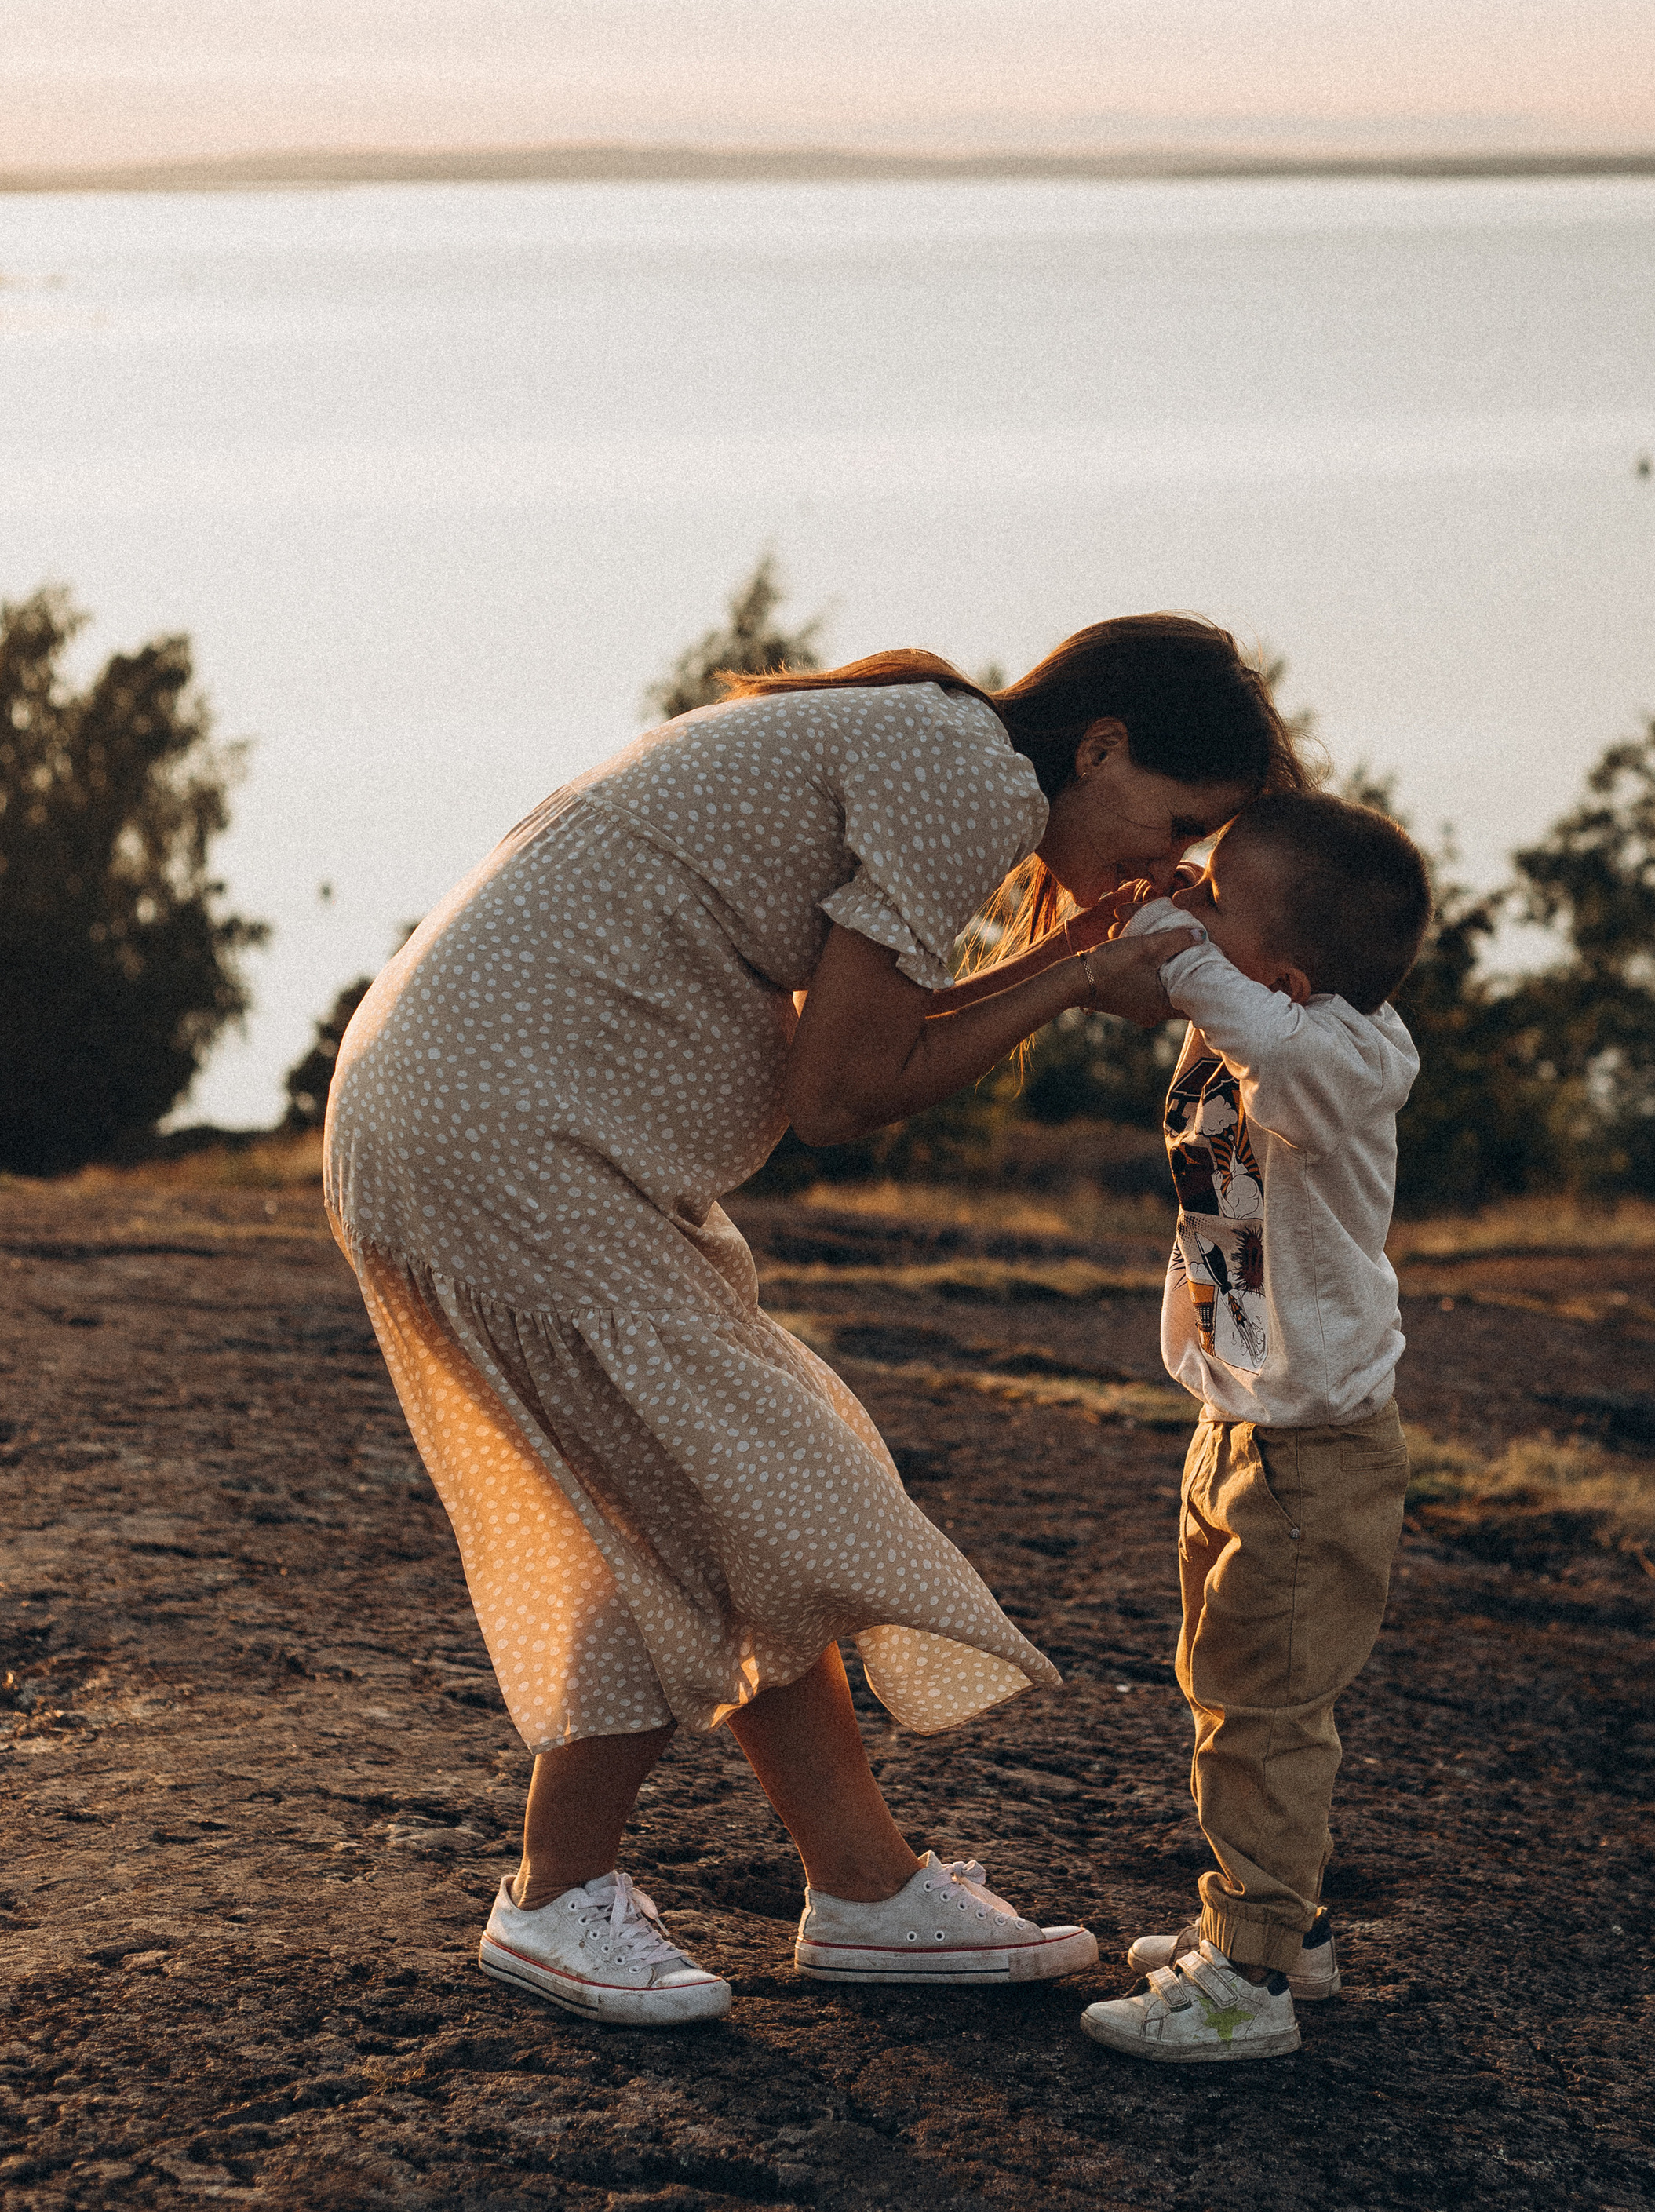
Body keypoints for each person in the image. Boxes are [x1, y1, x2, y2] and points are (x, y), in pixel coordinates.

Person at [323, 615, 1305, 2028]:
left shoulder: (936, 745)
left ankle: (861, 1884)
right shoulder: (968, 773)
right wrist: (1082, 972)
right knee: (724, 1490)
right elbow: (842, 1096)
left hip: (491, 1120)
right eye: (1177, 824)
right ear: (1101, 748)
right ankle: (555, 1894)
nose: (1172, 864)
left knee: (737, 1494)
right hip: (508, 1137)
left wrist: (1078, 956)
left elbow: (859, 1041)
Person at [1075, 791, 1432, 2066]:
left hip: (1309, 1456)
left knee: (1265, 1711)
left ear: (1283, 975)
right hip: (1238, 1426)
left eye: (1217, 896)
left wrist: (1169, 942)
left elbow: (1258, 1031)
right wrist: (1166, 909)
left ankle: (1251, 1984)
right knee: (1225, 1689)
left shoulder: (1344, 1059)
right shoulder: (1263, 1017)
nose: (1190, 900)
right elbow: (1212, 1002)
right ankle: (1286, 1923)